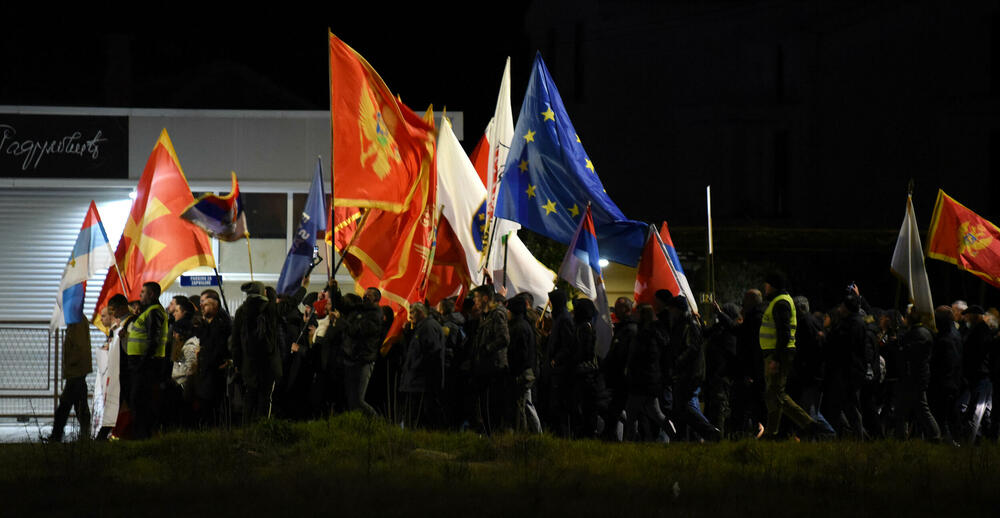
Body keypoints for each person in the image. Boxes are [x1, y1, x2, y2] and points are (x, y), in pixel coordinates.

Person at [757, 273, 817, 440]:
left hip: (778, 354)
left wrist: (776, 358)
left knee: (776, 394)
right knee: (774, 394)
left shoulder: (780, 303)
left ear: (774, 285)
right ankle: (772, 432)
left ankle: (808, 424)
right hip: (778, 353)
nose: (765, 287)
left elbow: (783, 333)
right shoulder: (781, 301)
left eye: (767, 284)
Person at [231, 281, 282, 422]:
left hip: (249, 364)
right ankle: (263, 428)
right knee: (265, 397)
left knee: (250, 396)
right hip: (268, 363)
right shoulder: (270, 309)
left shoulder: (241, 311)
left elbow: (235, 341)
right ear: (262, 292)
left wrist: (237, 363)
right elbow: (291, 303)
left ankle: (246, 428)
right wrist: (303, 286)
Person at [126, 281, 169, 439]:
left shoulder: (154, 312)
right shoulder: (149, 312)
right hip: (143, 364)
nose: (140, 295)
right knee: (139, 400)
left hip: (146, 366)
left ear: (151, 294)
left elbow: (153, 340)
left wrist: (141, 364)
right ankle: (141, 434)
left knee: (140, 401)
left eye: (143, 292)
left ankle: (142, 436)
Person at [893, 309, 941, 441]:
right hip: (915, 376)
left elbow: (911, 353)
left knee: (920, 408)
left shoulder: (920, 334)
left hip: (915, 377)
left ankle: (935, 435)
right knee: (904, 408)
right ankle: (901, 436)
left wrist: (900, 347)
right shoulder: (920, 332)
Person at [469, 284, 510, 434]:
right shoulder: (484, 316)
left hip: (494, 367)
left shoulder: (497, 314)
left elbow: (504, 338)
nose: (475, 301)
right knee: (483, 403)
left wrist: (487, 348)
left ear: (486, 298)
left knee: (491, 404)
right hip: (484, 367)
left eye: (477, 298)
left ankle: (494, 434)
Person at [399, 302, 446, 429]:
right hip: (417, 381)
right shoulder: (422, 327)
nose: (410, 316)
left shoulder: (428, 327)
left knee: (420, 417)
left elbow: (431, 353)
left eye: (412, 312)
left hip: (422, 382)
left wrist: (416, 368)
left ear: (420, 312)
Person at [46, 316, 93, 442]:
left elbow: (80, 346)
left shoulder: (77, 321)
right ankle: (84, 435)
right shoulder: (76, 320)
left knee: (66, 404)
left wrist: (71, 363)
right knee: (79, 404)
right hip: (76, 370)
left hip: (76, 371)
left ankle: (57, 435)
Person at [194, 289, 231, 426]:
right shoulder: (207, 322)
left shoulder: (221, 323)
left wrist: (208, 362)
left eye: (205, 303)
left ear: (215, 305)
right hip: (207, 370)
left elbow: (215, 348)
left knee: (212, 408)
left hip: (214, 371)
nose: (201, 306)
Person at [507, 294, 541, 433]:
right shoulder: (523, 325)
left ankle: (531, 432)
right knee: (526, 403)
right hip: (526, 371)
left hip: (522, 373)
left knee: (524, 404)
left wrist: (516, 371)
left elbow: (521, 354)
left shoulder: (519, 328)